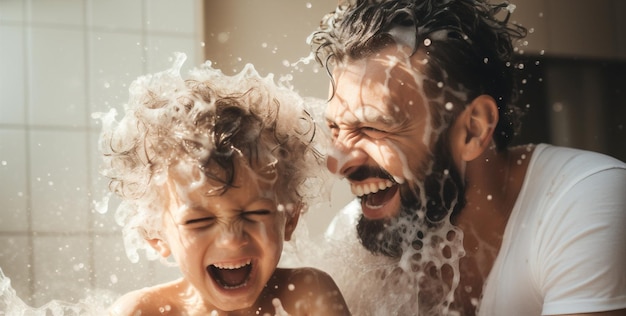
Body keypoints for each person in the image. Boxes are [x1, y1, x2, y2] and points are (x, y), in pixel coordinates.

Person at [307, 0, 626, 315]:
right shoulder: (352, 233)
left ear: (472, 130)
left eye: (372, 127)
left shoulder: (586, 199)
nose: (337, 162)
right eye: (335, 128)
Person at [96, 53, 350, 316]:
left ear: (290, 217)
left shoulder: (307, 296)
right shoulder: (141, 312)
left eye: (255, 213)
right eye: (199, 221)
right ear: (155, 234)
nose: (231, 239)